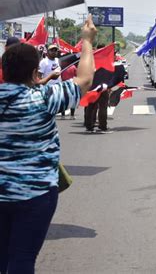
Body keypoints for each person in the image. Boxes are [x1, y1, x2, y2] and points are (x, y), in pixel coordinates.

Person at [0, 15, 97, 274]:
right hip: (35, 195)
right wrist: (87, 41)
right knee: (22, 258)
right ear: (35, 73)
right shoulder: (44, 99)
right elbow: (85, 79)